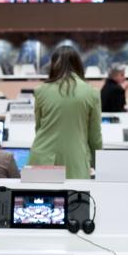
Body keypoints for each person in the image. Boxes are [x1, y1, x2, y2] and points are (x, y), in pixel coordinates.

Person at [28, 46, 102, 179]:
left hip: (42, 157)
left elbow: (39, 127)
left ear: (53, 65)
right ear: (78, 64)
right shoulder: (92, 93)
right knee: (75, 193)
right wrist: (98, 163)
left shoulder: (40, 91)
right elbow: (95, 136)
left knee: (40, 193)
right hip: (75, 160)